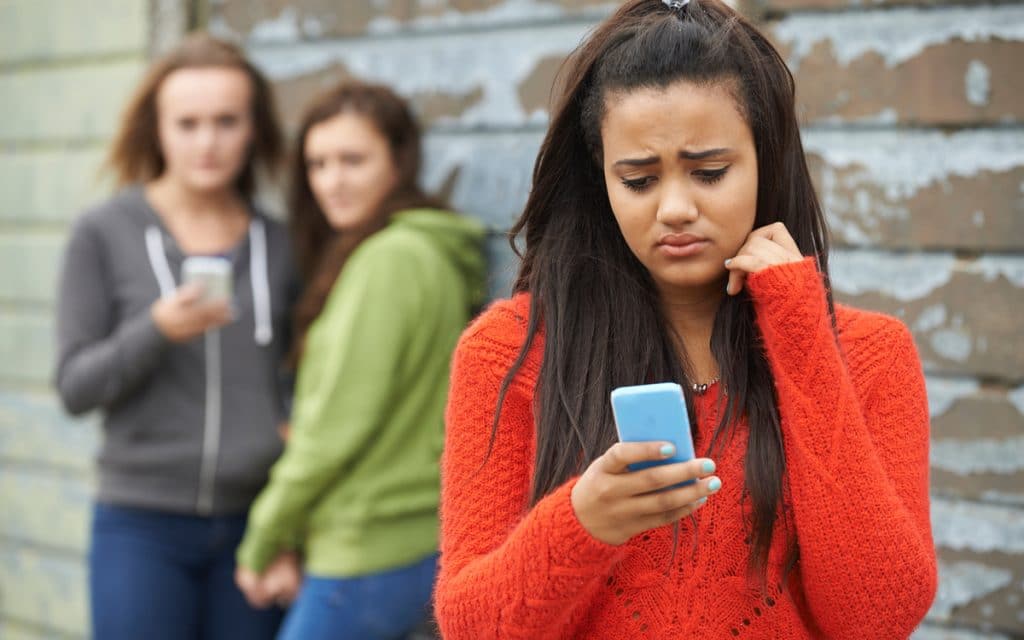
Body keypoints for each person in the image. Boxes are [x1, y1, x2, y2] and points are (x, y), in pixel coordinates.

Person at [435, 1, 937, 638]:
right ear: (601, 181)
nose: (675, 207)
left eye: (709, 172)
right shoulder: (509, 350)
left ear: (767, 159)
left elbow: (877, 618)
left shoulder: (870, 353)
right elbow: (469, 626)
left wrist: (802, 334)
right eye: (639, 180)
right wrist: (581, 524)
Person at [54, 33, 300, 640]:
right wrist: (156, 330)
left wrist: (291, 527)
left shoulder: (283, 242)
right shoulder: (103, 232)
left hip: (255, 524)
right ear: (156, 129)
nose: (207, 142)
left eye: (226, 121)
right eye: (187, 123)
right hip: (141, 524)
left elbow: (303, 382)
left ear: (254, 130)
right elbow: (76, 387)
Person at [234, 80, 487, 640]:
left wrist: (264, 538)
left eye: (353, 160)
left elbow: (335, 430)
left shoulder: (390, 260)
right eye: (318, 164)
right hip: (404, 537)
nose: (332, 181)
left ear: (399, 161)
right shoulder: (422, 250)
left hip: (371, 546)